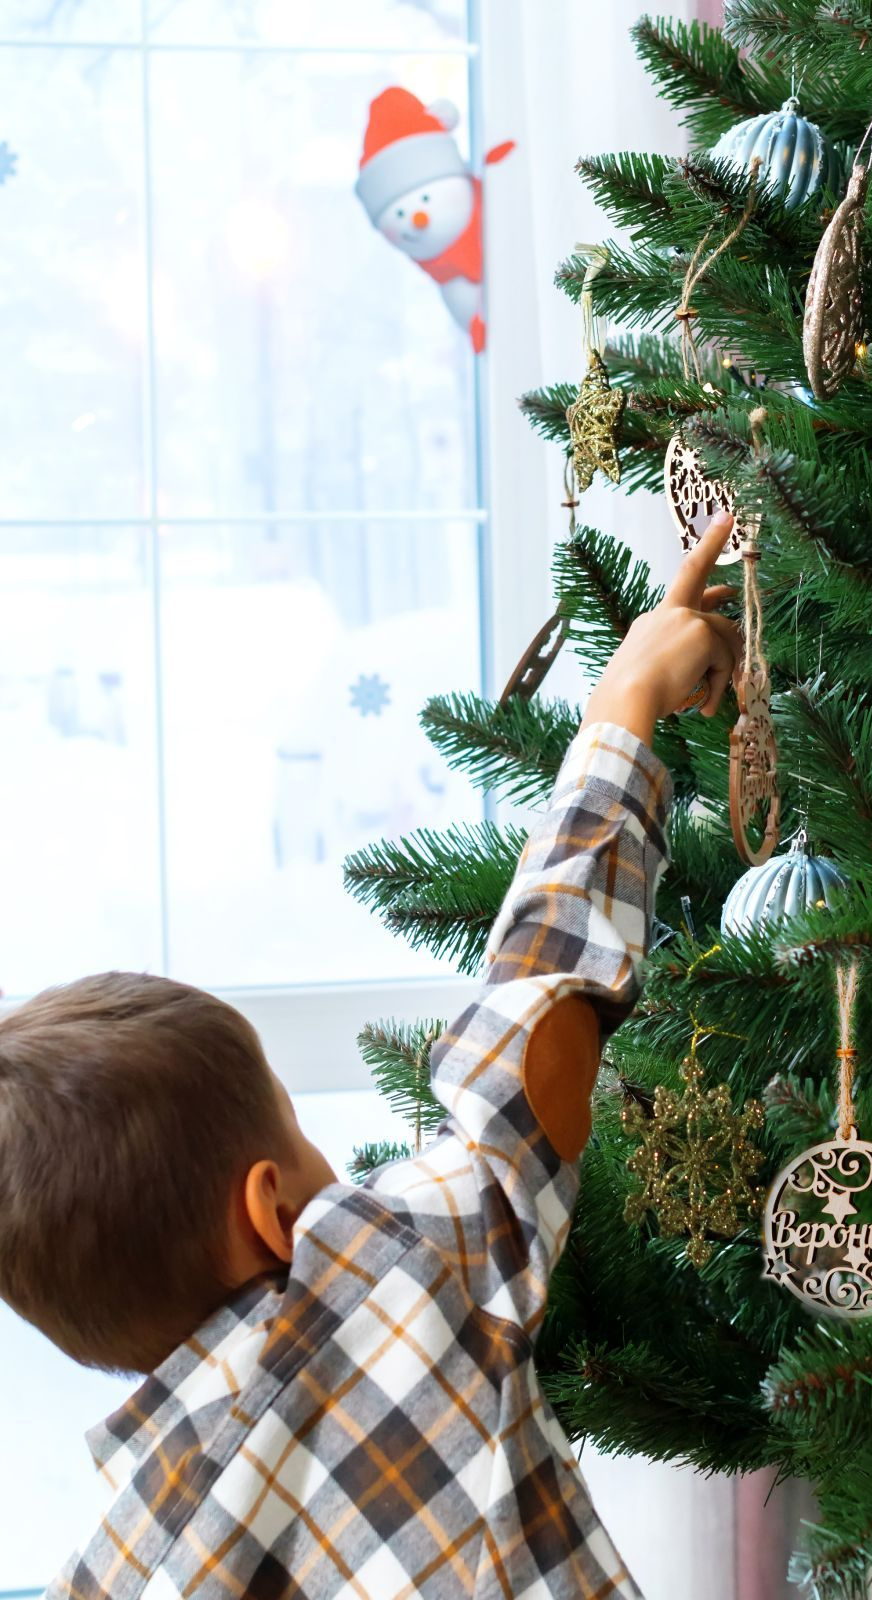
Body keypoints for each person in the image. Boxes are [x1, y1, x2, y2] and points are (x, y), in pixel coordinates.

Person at [2, 513, 743, 1600]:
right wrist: (624, 708)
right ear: (270, 1213)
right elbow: (530, 1031)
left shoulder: (120, 1567)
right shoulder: (377, 1281)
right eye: (299, 1139)